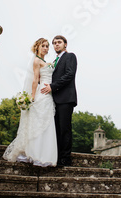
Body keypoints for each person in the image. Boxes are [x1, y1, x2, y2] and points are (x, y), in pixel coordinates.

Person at [3, 38, 57, 167]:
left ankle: (44, 154)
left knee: (46, 123)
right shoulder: (36, 60)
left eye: (47, 46)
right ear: (37, 47)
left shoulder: (46, 62)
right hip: (41, 94)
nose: (46, 48)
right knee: (37, 123)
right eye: (43, 46)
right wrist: (32, 97)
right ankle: (33, 154)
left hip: (49, 94)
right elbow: (35, 80)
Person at [41, 35, 77, 167]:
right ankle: (56, 155)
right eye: (54, 43)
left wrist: (52, 86)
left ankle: (65, 158)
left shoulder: (70, 56)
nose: (56, 45)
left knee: (65, 128)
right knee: (55, 129)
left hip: (66, 98)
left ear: (65, 44)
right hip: (54, 99)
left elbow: (69, 74)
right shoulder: (54, 61)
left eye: (59, 42)